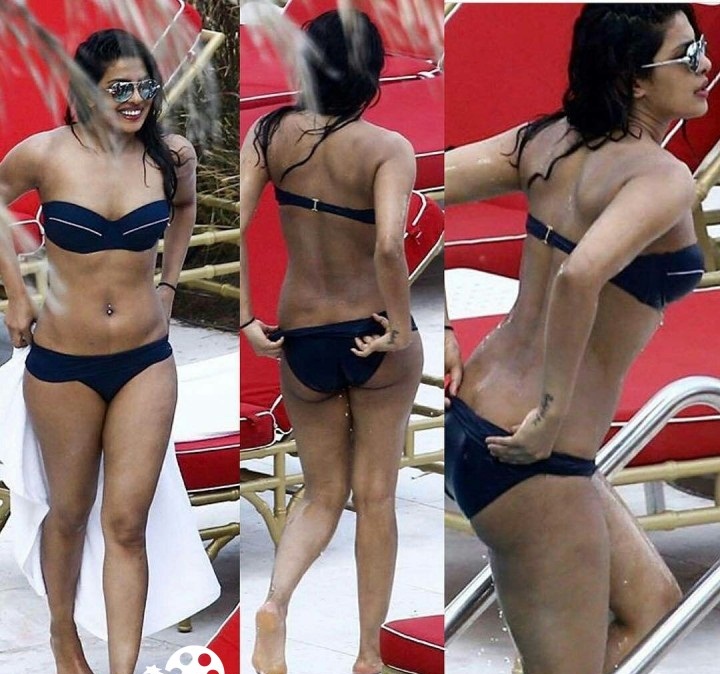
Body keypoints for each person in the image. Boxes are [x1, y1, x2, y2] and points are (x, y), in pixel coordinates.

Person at [445, 5, 710, 673]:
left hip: (486, 417)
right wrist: (552, 412)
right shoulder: (660, 176)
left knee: (652, 607)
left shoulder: (545, 141)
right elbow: (582, 275)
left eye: (703, 46)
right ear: (636, 80)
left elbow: (413, 186)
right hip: (535, 457)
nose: (706, 65)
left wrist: (440, 325)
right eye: (687, 55)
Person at [0, 28, 207, 674]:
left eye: (145, 86)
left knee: (125, 523)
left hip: (146, 360)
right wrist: (15, 295)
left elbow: (185, 207)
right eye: (119, 88)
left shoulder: (169, 155)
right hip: (63, 365)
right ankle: (63, 638)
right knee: (68, 513)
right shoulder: (45, 154)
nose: (135, 99)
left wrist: (168, 284)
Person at [240, 10, 424, 674]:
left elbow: (235, 223)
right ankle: (369, 655)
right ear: (371, 73)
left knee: (320, 494)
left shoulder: (269, 134)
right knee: (375, 499)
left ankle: (274, 602)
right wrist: (400, 325)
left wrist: (245, 316)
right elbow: (388, 247)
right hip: (371, 331)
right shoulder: (387, 148)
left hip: (302, 335)